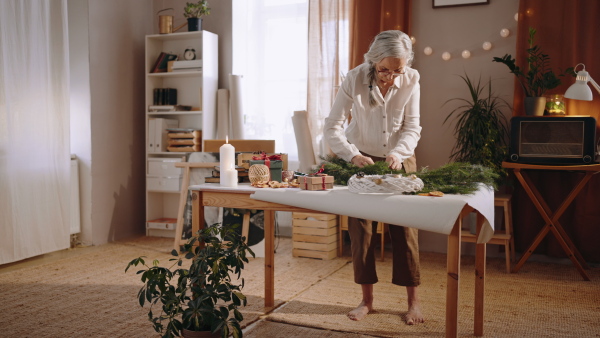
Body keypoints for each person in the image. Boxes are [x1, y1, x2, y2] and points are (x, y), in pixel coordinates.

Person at [323, 30, 424, 325]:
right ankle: (366, 301)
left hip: (399, 158)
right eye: (384, 70)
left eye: (397, 71)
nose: (390, 77)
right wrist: (352, 155)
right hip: (361, 158)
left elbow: (412, 126)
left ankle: (414, 303)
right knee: (362, 232)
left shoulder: (413, 79)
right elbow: (333, 126)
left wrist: (399, 153)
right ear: (373, 61)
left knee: (406, 231)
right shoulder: (354, 78)